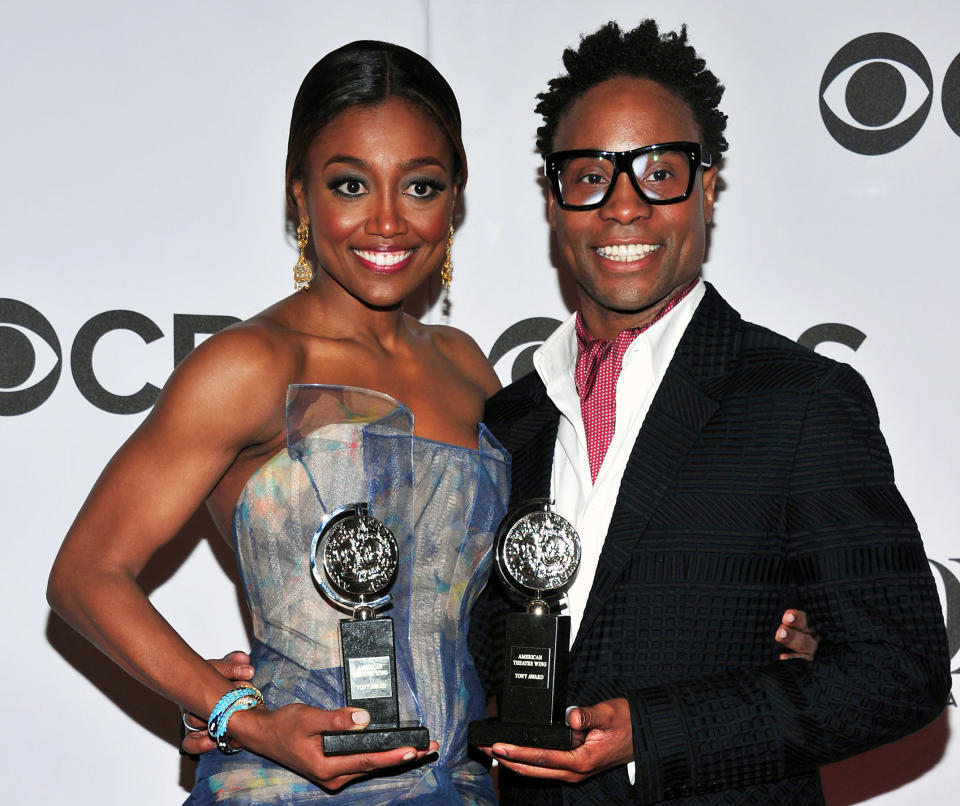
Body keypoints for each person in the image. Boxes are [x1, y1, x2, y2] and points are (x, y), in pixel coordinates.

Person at [467, 19, 952, 805]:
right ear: (553, 198)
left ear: (708, 187)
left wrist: (655, 732)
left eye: (659, 170)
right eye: (589, 174)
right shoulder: (511, 419)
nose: (623, 207)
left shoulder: (800, 401)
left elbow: (903, 670)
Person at [47, 40, 508, 804]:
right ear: (300, 194)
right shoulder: (252, 364)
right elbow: (86, 575)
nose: (387, 221)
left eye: (420, 186)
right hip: (289, 787)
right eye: (351, 184)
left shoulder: (468, 368)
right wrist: (239, 715)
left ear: (454, 198)